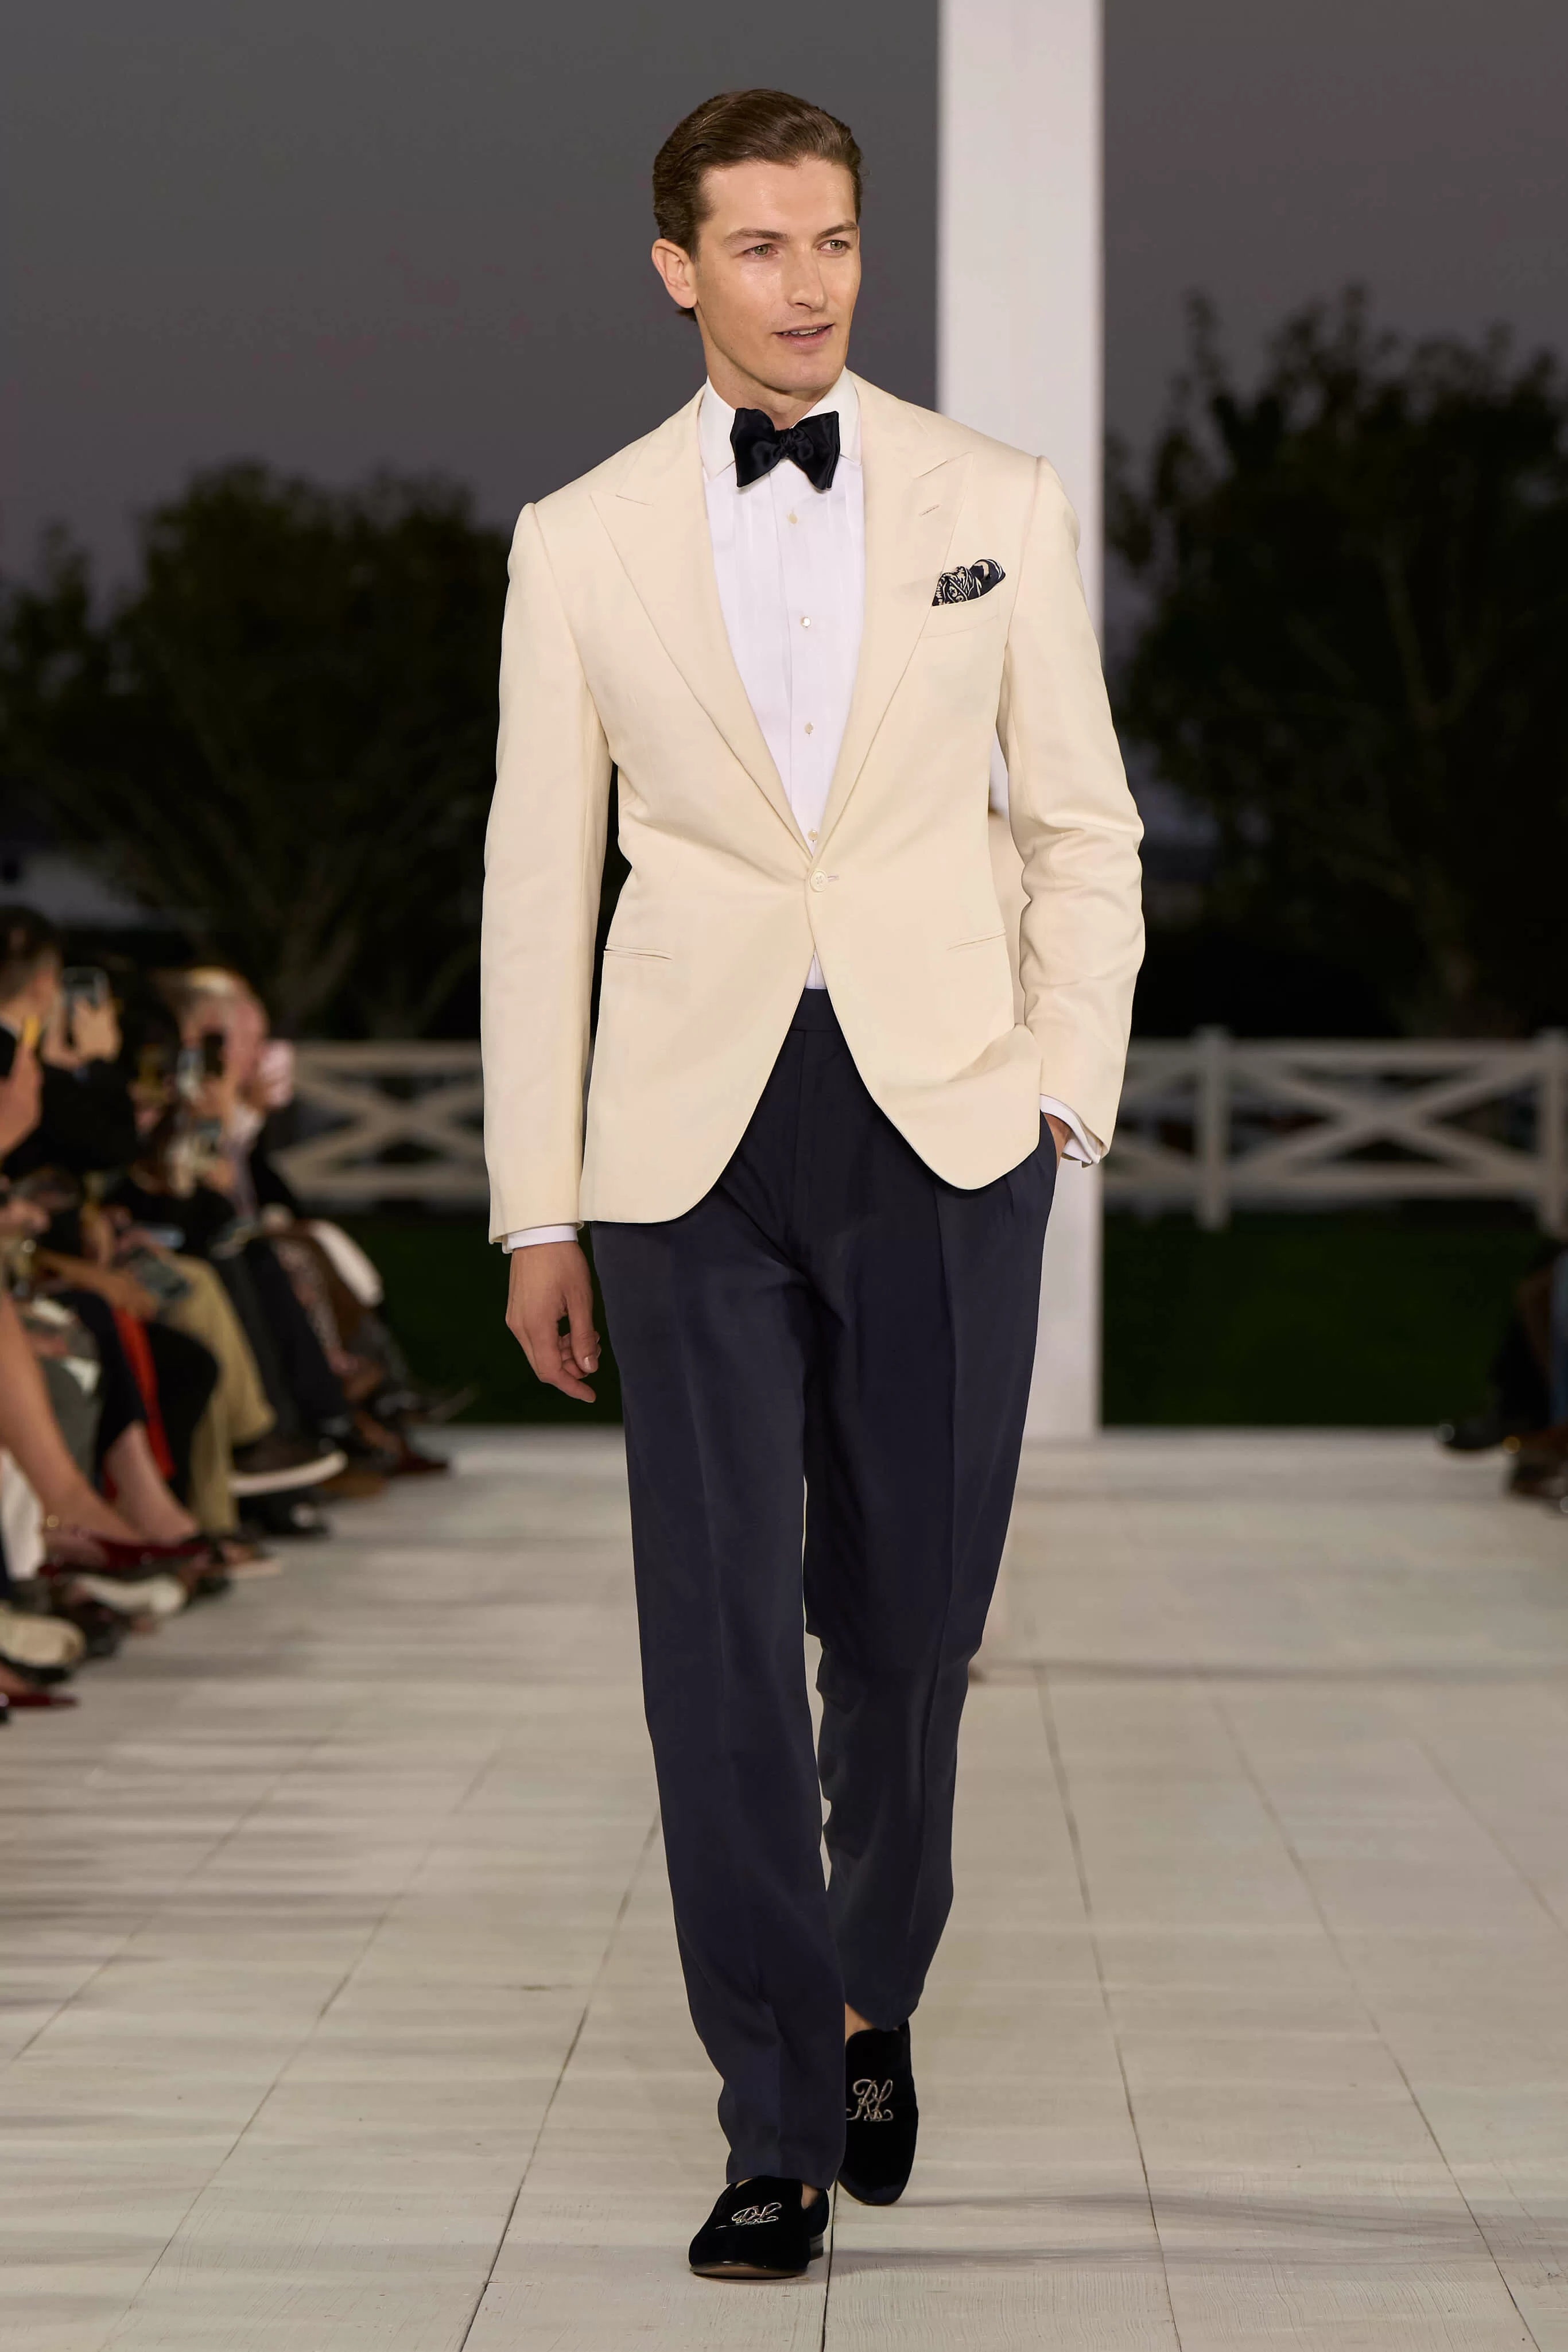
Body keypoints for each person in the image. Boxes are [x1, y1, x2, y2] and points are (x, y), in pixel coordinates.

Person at [482, 89, 1144, 2280]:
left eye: (834, 239)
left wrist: (1061, 1096)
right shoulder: (578, 537)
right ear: (677, 268)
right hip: (684, 1144)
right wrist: (537, 1202)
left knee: (912, 1624)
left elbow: (1081, 826)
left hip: (946, 1122)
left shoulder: (992, 498)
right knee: (714, 1638)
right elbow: (533, 886)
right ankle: (772, 2112)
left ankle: (871, 1985)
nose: (808, 283)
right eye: (760, 246)